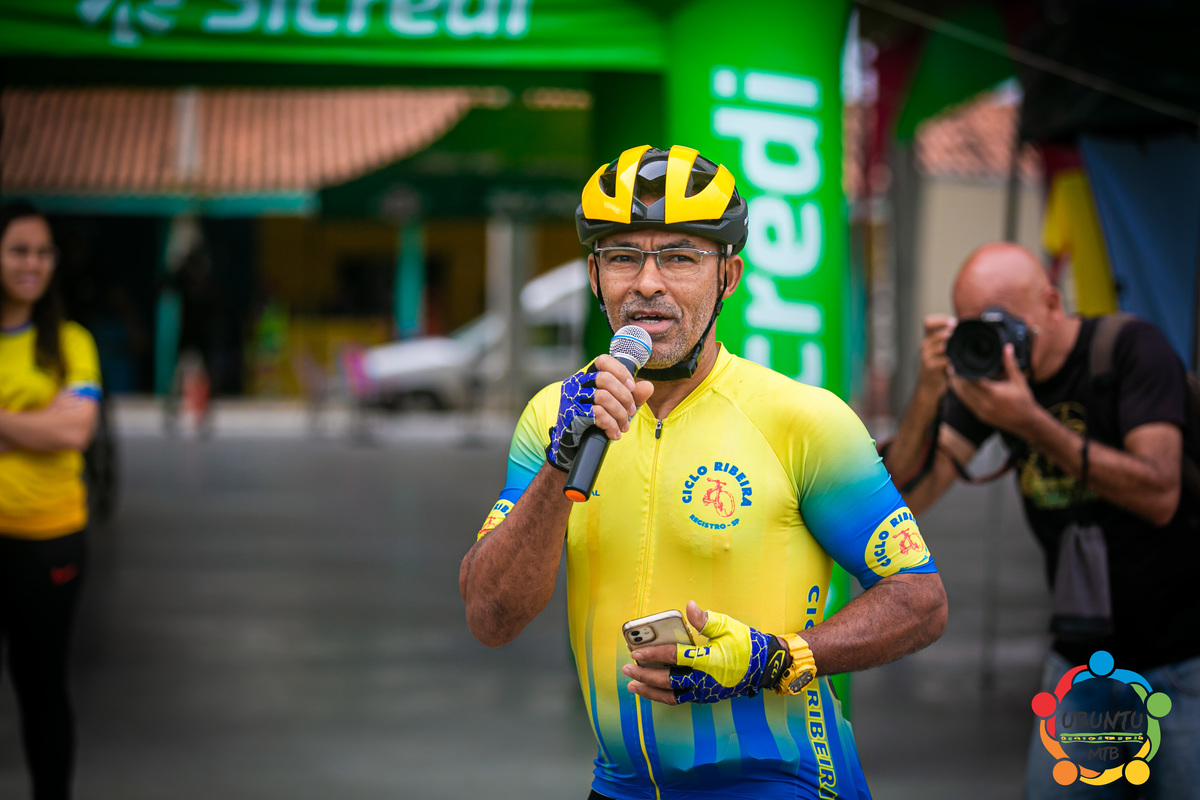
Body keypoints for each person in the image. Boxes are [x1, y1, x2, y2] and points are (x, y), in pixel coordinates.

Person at [459, 145, 948, 799]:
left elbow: (920, 600)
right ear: (595, 276)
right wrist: (561, 461)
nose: (647, 283)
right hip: (622, 786)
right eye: (623, 257)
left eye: (680, 257)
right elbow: (491, 617)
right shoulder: (555, 415)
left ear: (729, 276)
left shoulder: (803, 420)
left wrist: (775, 659)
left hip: (783, 783)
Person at [883, 242, 1199, 799]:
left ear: (1052, 303)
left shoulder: (1130, 350)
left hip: (1184, 656)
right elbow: (904, 499)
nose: (995, 342)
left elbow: (1159, 492)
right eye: (975, 326)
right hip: (1084, 661)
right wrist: (927, 395)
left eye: (1004, 322)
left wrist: (1030, 422)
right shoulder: (989, 384)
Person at [0, 203, 101, 800]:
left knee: (41, 686)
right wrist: (33, 421)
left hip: (50, 542)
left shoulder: (70, 342)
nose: (32, 263)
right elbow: (53, 426)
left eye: (43, 252)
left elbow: (75, 430)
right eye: (18, 250)